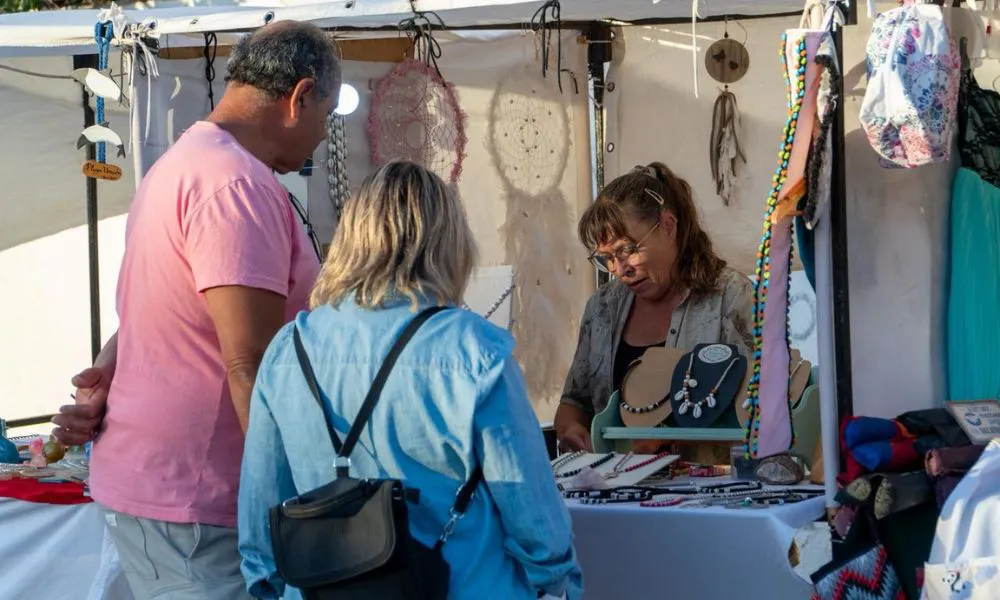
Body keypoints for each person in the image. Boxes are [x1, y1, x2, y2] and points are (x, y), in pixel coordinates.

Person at [50, 22, 340, 600]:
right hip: (199, 499)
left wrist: (113, 364)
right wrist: (296, 502)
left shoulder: (186, 161)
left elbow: (158, 305)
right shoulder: (235, 185)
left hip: (172, 490)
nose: (322, 137)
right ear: (299, 96)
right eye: (327, 117)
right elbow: (248, 363)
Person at [238, 159, 584, 600]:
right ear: (448, 243)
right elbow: (532, 515)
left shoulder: (290, 349)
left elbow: (261, 519)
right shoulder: (475, 350)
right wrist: (560, 585)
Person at [554, 162, 753, 453]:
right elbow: (575, 402)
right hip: (617, 490)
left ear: (668, 227)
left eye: (627, 250)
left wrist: (674, 437)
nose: (619, 270)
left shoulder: (731, 296)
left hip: (709, 492)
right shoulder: (602, 307)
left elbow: (764, 406)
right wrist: (572, 430)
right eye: (606, 258)